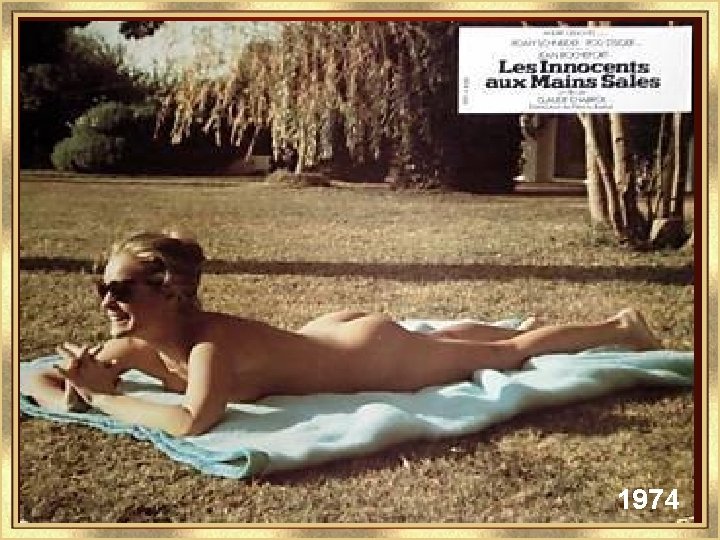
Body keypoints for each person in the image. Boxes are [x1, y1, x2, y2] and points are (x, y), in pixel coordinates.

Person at [20, 231, 662, 437]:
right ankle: (488, 329)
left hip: (372, 355)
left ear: (170, 292)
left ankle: (619, 327)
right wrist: (76, 388)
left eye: (122, 289)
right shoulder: (135, 345)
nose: (106, 301)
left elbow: (190, 422)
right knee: (451, 336)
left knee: (507, 352)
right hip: (322, 335)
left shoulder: (209, 347)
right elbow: (44, 380)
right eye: (101, 287)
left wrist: (100, 397)